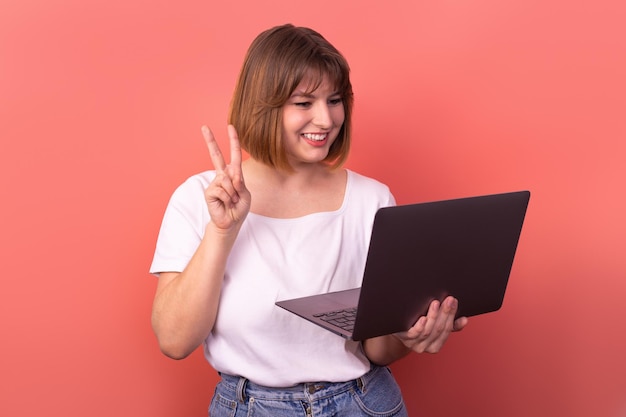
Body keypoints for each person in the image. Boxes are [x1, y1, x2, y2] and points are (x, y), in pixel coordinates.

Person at [150, 23, 468, 417]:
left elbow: (377, 350)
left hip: (362, 402)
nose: (325, 119)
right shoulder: (200, 198)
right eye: (304, 103)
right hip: (250, 407)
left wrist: (408, 333)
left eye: (335, 100)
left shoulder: (372, 200)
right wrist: (221, 231)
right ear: (263, 106)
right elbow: (174, 340)